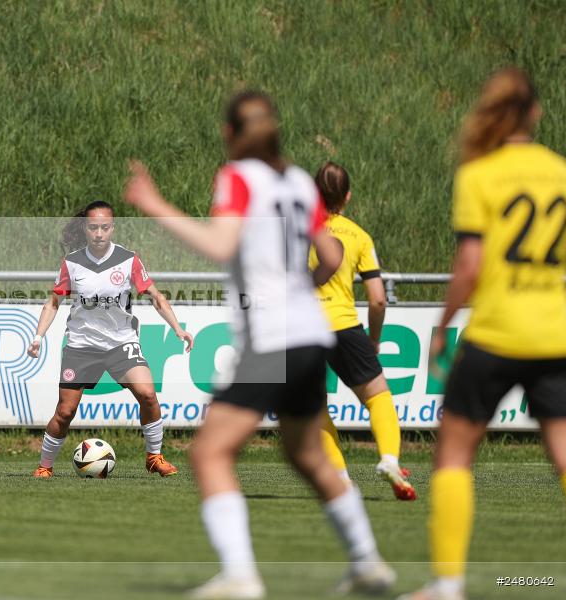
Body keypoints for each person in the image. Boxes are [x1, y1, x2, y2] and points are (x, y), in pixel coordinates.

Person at [124, 90, 395, 599]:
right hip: (312, 331)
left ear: (229, 134)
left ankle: (241, 576)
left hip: (274, 336)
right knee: (307, 456)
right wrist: (301, 285)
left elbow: (221, 245)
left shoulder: (238, 177)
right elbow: (331, 253)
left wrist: (154, 204)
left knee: (209, 453)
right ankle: (368, 562)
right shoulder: (295, 180)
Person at [399, 68, 566, 600]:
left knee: (453, 456)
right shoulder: (563, 173)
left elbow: (470, 265)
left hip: (496, 334)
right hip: (556, 336)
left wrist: (443, 325)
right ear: (537, 114)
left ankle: (447, 585)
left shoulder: (479, 174)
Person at [27, 200, 194, 478]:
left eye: (105, 227)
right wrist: (38, 336)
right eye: (93, 227)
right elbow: (53, 303)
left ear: (113, 228)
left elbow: (156, 296)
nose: (99, 233)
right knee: (65, 411)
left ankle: (154, 457)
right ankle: (45, 466)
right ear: (85, 228)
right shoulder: (72, 263)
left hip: (121, 343)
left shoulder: (129, 260)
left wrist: (178, 328)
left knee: (148, 394)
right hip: (81, 345)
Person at [308, 161, 416, 501]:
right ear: (348, 196)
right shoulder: (359, 236)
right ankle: (388, 459)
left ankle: (340, 475)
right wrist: (373, 339)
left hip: (302, 329)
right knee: (377, 395)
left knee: (315, 406)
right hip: (344, 325)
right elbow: (378, 299)